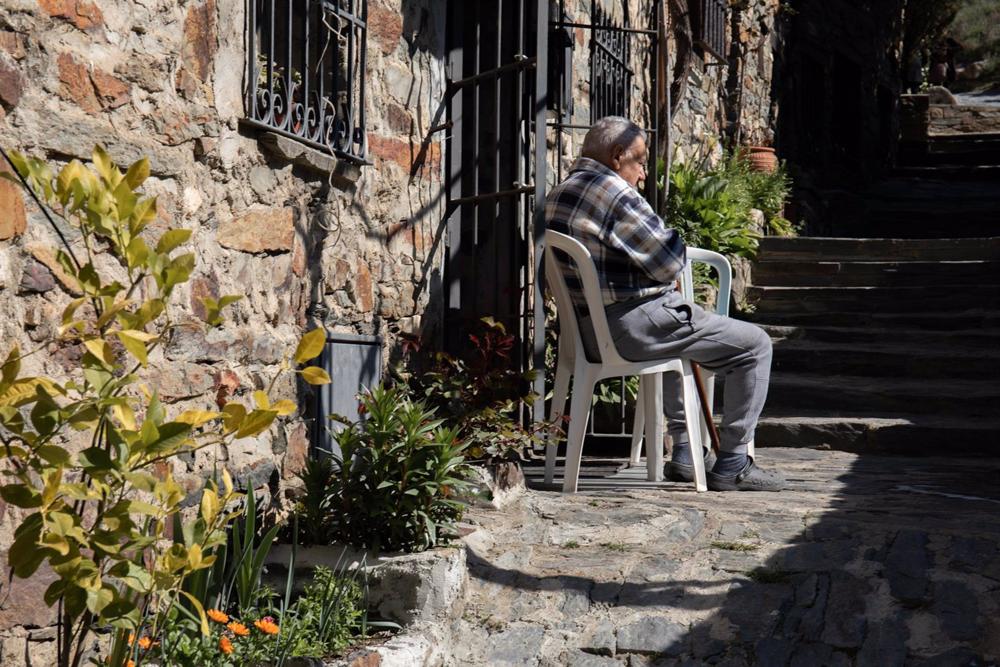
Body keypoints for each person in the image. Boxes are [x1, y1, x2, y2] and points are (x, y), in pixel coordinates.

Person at [544, 116, 786, 492]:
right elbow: (670, 261)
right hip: (632, 327)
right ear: (617, 155)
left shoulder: (558, 193)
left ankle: (687, 452)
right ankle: (733, 463)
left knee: (679, 339)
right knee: (754, 346)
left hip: (585, 332)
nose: (643, 174)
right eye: (640, 162)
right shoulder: (614, 193)